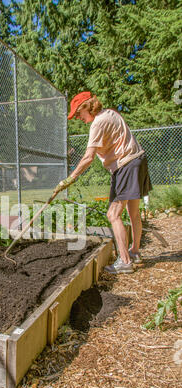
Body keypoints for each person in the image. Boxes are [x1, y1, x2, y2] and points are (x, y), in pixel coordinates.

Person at [55, 91, 152, 274]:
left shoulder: (98, 123)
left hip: (126, 165)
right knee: (133, 212)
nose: (78, 118)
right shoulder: (111, 113)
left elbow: (88, 157)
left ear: (86, 106)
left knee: (113, 215)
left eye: (78, 113)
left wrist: (70, 178)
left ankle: (125, 261)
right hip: (138, 159)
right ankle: (135, 252)